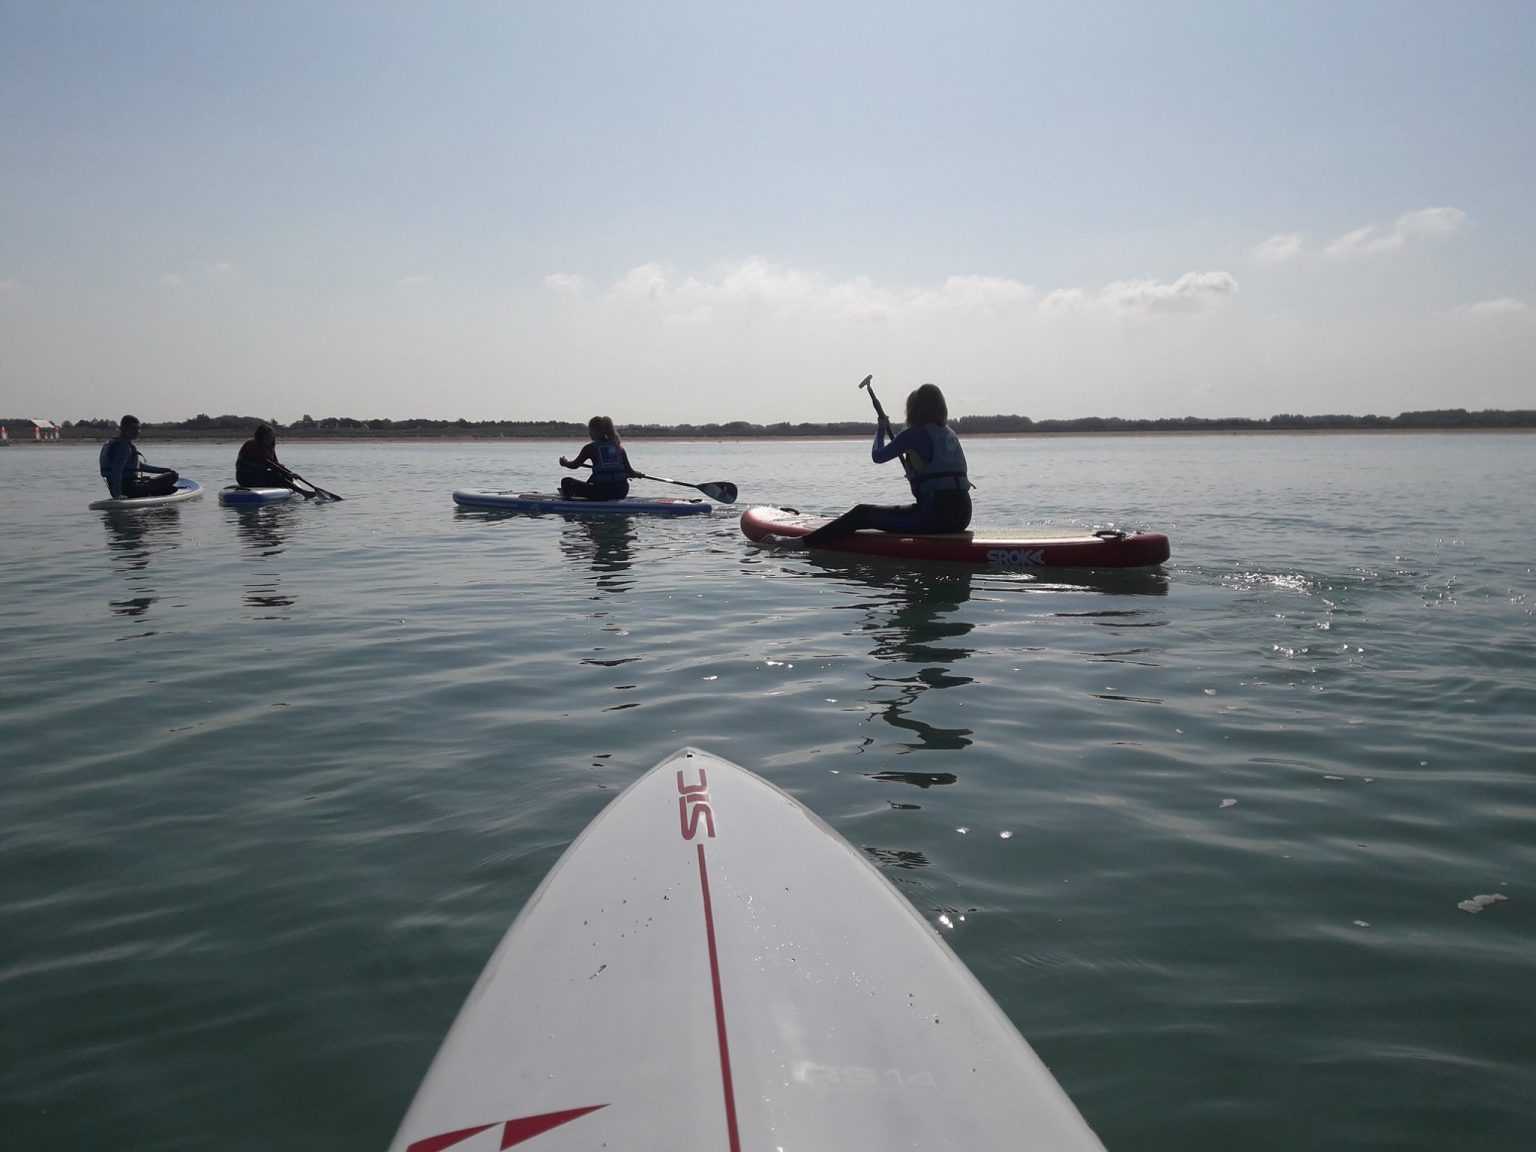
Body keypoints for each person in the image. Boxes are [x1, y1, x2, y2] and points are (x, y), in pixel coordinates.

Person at [801, 383, 973, 546]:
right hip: (963, 515)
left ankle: (800, 543)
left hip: (933, 517)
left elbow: (878, 456)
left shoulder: (912, 434)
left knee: (861, 513)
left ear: (914, 410)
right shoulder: (950, 434)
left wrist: (881, 429)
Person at [99, 415, 179, 499]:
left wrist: (165, 470)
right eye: (133, 428)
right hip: (131, 490)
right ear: (123, 428)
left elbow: (140, 466)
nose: (137, 431)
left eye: (138, 428)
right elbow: (116, 470)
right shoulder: (122, 447)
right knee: (173, 476)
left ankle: (156, 492)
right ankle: (153, 493)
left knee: (170, 486)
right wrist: (118, 494)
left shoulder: (121, 443)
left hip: (127, 488)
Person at [559, 416, 640, 500]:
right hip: (621, 491)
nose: (589, 433)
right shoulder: (619, 447)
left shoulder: (590, 448)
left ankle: (569, 501)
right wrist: (637, 474)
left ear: (594, 431)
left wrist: (564, 463)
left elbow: (574, 465)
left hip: (601, 492)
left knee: (566, 481)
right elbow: (630, 472)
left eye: (590, 430)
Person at [236, 423, 310, 495]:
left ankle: (292, 488)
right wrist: (287, 473)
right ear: (260, 437)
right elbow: (267, 463)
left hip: (259, 475)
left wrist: (290, 473)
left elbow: (275, 463)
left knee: (287, 477)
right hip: (245, 478)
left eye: (271, 437)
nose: (269, 440)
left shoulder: (269, 446)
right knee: (276, 476)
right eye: (266, 438)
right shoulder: (251, 445)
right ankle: (303, 492)